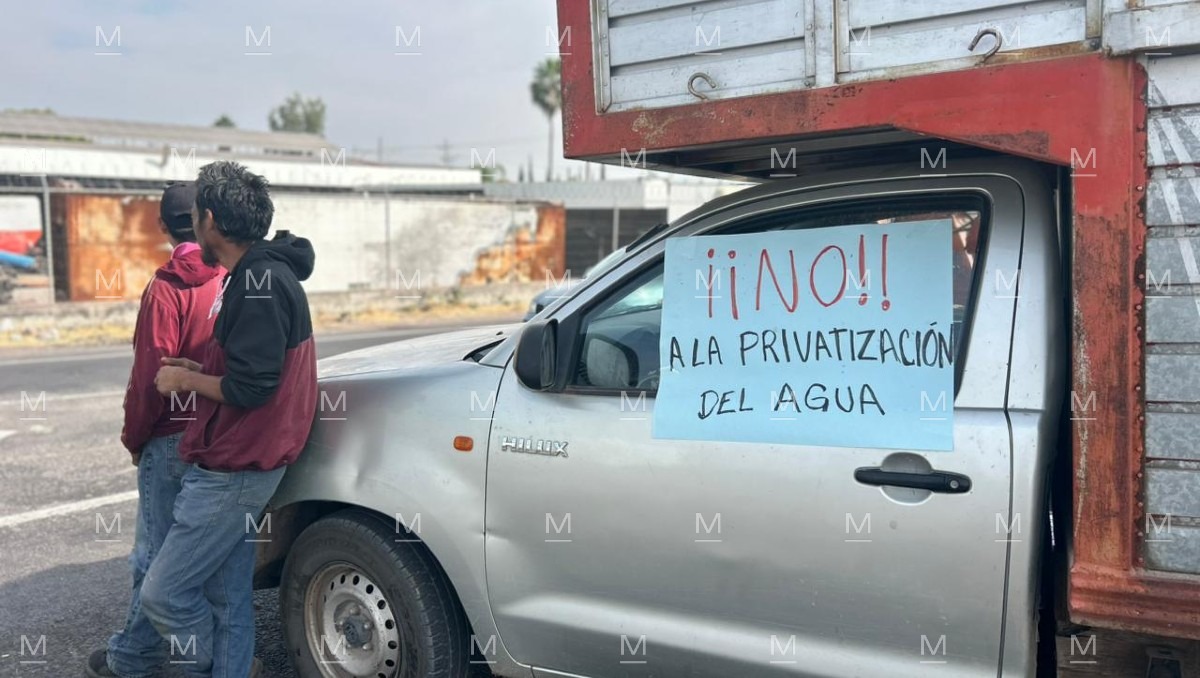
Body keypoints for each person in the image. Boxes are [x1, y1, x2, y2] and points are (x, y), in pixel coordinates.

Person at [139, 160, 318, 678]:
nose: (193, 220)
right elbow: (253, 368)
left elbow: (255, 388)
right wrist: (201, 367)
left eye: (195, 212)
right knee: (229, 596)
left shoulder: (257, 282)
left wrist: (183, 382)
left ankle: (200, 663)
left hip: (235, 468)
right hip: (244, 462)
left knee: (164, 592)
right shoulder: (261, 272)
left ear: (210, 220)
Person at [87, 182, 225, 678]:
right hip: (216, 429)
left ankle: (135, 657)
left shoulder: (167, 287)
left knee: (154, 553)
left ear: (163, 227)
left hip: (168, 437)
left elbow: (151, 377)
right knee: (197, 555)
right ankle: (162, 652)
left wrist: (134, 437)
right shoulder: (231, 275)